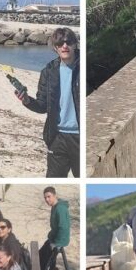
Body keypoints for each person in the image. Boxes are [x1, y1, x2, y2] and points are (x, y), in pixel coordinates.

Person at [16, 28, 80, 177]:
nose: (65, 46)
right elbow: (42, 105)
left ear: (75, 44)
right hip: (57, 137)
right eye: (60, 43)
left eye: (68, 42)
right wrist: (27, 100)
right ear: (55, 47)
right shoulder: (49, 71)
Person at [40, 186, 70, 270]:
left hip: (59, 241)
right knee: (40, 255)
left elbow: (63, 227)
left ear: (55, 195)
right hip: (53, 238)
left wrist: (56, 244)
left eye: (49, 197)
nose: (47, 200)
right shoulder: (54, 207)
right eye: (45, 198)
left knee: (49, 265)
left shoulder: (60, 209)